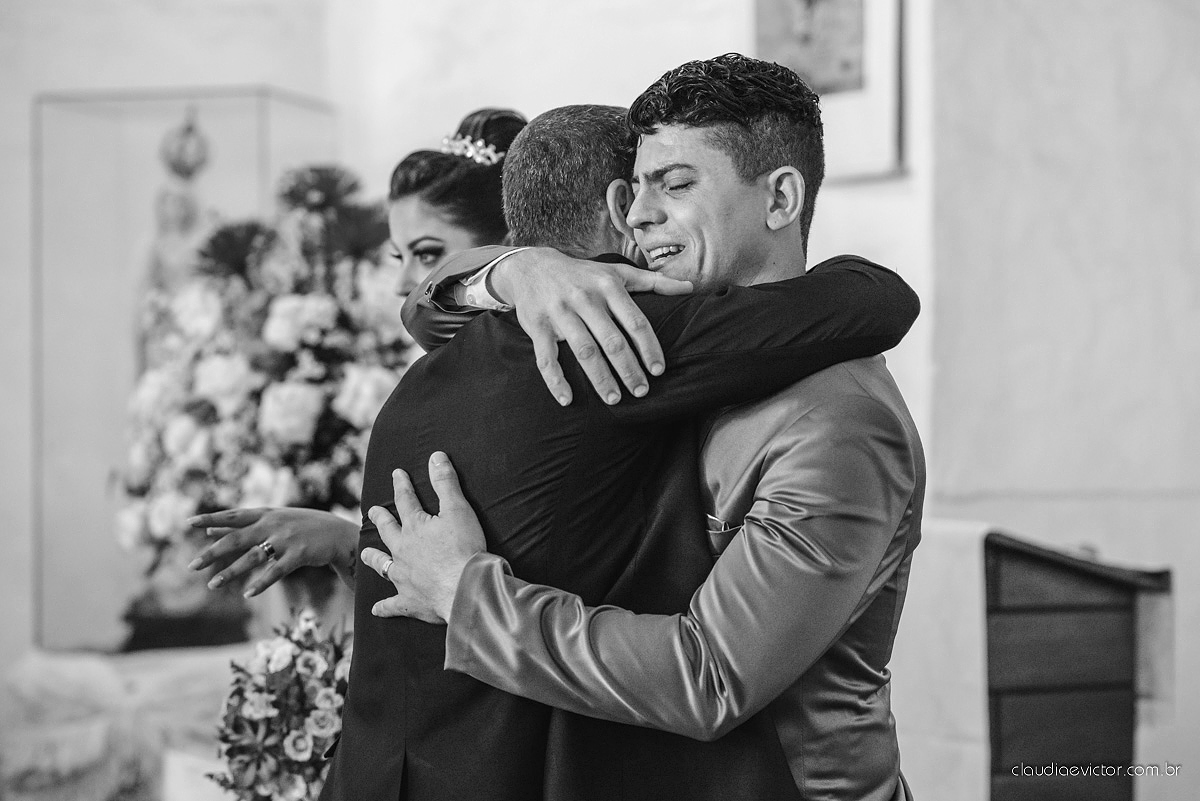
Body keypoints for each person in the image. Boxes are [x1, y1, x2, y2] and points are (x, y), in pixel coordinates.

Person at [367, 54, 925, 801]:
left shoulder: (841, 422)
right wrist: (511, 271)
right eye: (637, 189)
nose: (636, 216)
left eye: (678, 184)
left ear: (781, 198)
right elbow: (426, 313)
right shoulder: (645, 335)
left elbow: (709, 676)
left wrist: (467, 594)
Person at [186, 107, 529, 594]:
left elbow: (472, 592)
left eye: (428, 254)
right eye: (399, 257)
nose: (404, 282)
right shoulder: (448, 376)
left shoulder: (521, 382)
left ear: (504, 247)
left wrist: (345, 543)